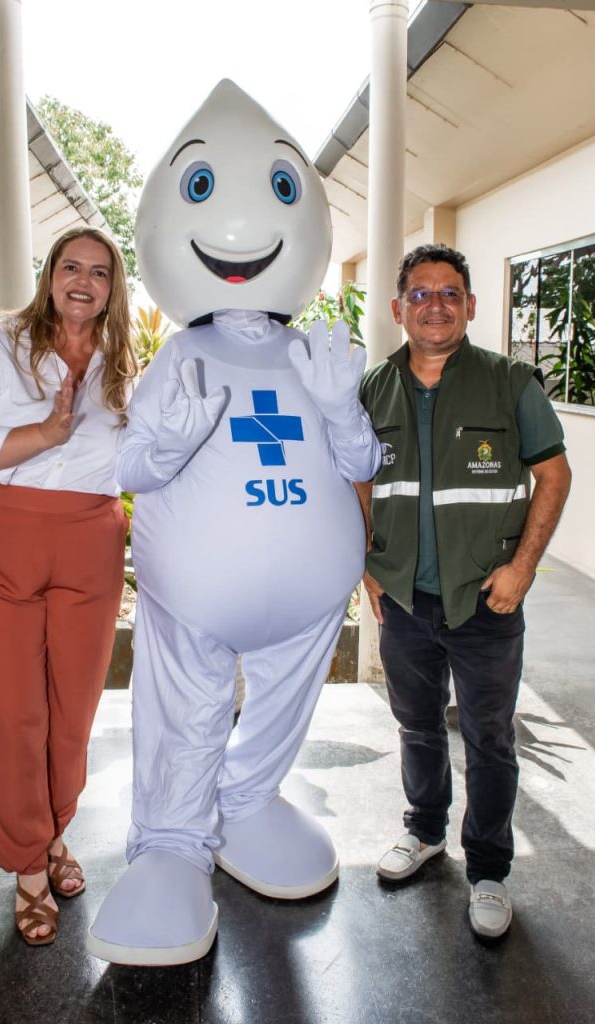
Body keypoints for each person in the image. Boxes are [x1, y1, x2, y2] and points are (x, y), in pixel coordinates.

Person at [86, 79, 382, 967]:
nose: (246, 224)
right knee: (185, 708)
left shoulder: (315, 350)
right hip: (196, 602)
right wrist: (169, 441)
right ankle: (172, 843)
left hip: (308, 603)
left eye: (282, 190)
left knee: (284, 705)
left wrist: (342, 409)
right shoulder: (178, 356)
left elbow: (360, 462)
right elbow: (129, 468)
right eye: (201, 188)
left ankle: (248, 799)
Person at [356, 243, 571, 939]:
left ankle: (488, 869)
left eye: (449, 293)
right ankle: (424, 831)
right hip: (403, 599)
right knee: (417, 726)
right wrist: (364, 563)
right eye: (419, 294)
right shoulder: (372, 389)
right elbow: (355, 480)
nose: (434, 306)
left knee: (488, 737)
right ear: (399, 308)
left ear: (470, 305)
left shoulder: (509, 382)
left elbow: (554, 474)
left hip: (486, 599)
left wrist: (523, 568)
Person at [0, 226, 136, 946]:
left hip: (89, 544)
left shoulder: (122, 364)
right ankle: (27, 865)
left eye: (99, 272)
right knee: (11, 713)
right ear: (49, 274)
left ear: (113, 288)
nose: (83, 281)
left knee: (71, 710)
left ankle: (52, 832)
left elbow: (141, 459)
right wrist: (46, 433)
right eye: (70, 266)